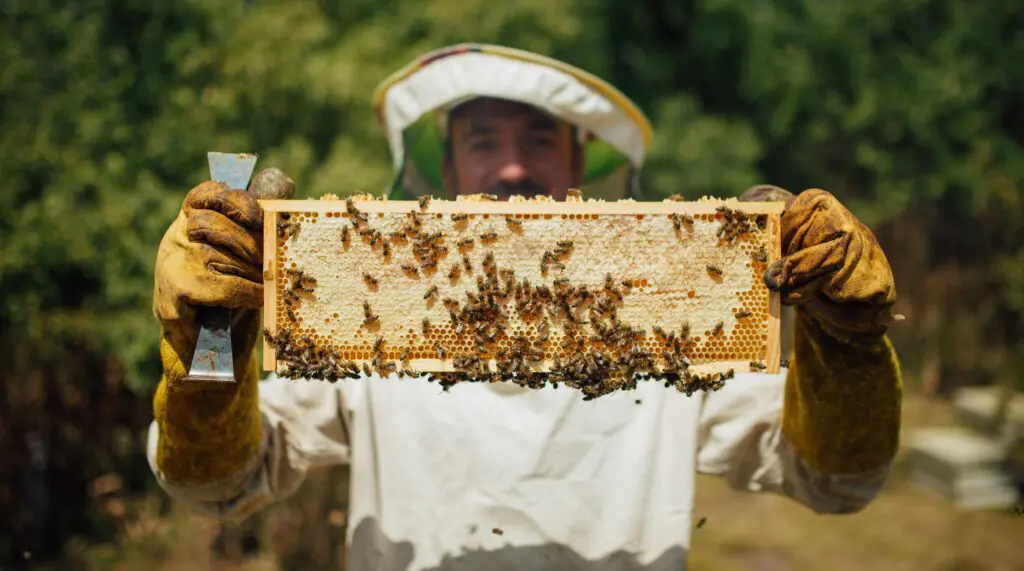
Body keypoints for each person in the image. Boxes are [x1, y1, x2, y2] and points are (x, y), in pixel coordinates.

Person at [148, 44, 902, 570]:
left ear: (576, 163)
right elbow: (215, 484)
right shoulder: (369, 311)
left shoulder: (668, 318)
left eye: (539, 139)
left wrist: (843, 346)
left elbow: (834, 478)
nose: (512, 165)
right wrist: (215, 344)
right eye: (484, 140)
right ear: (448, 167)